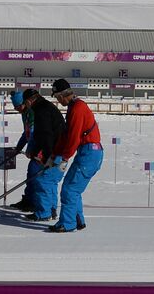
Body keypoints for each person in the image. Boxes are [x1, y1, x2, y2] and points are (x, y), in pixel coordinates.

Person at [49, 79, 102, 233]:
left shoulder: (77, 108)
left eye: (57, 97)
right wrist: (55, 155)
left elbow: (74, 138)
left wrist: (65, 158)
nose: (57, 101)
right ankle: (77, 220)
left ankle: (68, 223)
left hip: (89, 154)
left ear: (61, 95)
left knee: (69, 189)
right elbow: (65, 136)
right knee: (73, 188)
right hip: (88, 153)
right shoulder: (74, 107)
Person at [20, 88, 66, 222]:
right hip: (59, 150)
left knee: (43, 181)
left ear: (29, 101)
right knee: (51, 182)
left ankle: (43, 213)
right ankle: (51, 210)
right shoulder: (46, 106)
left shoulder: (41, 111)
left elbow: (46, 135)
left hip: (54, 151)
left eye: (25, 103)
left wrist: (46, 156)